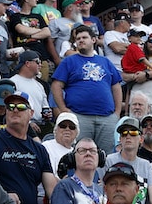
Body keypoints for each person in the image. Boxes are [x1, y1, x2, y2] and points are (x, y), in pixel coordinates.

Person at [52, 23, 124, 154]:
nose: (80, 40)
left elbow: (116, 86)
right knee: (80, 154)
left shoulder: (105, 61)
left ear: (93, 40)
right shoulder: (69, 61)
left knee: (106, 157)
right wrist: (63, 110)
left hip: (107, 118)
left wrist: (117, 112)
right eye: (78, 39)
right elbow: (56, 85)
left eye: (84, 37)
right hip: (79, 116)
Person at [0, 89, 57, 204]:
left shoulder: (39, 149)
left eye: (21, 107)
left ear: (31, 113)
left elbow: (52, 190)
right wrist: (2, 195)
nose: (15, 110)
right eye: (10, 107)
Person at [50, 137, 105, 204]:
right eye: (82, 151)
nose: (88, 154)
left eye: (93, 151)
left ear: (99, 158)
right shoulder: (64, 187)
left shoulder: (101, 191)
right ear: (73, 158)